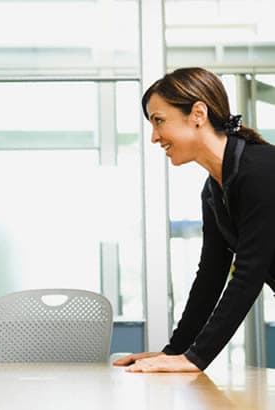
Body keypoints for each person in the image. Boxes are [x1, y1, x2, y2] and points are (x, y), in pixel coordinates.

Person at [114, 67, 275, 372]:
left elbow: (248, 274)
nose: (154, 137)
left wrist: (194, 359)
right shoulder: (214, 188)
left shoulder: (261, 170)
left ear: (198, 114)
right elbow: (211, 275)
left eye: (159, 120)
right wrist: (174, 352)